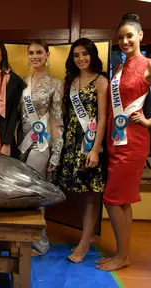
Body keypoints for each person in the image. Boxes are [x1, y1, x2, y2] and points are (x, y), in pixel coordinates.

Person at [96, 13, 151, 272]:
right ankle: (124, 254)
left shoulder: (150, 65)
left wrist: (150, 120)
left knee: (112, 199)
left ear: (141, 36)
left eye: (129, 36)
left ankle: (123, 255)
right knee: (121, 200)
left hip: (133, 139)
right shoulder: (119, 68)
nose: (124, 41)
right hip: (115, 138)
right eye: (120, 37)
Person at [56, 38, 108, 263]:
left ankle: (85, 243)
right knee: (80, 193)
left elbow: (104, 118)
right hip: (71, 144)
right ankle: (88, 235)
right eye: (76, 55)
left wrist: (95, 149)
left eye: (85, 54)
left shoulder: (101, 81)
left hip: (90, 145)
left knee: (91, 195)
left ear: (93, 55)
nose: (81, 59)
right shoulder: (71, 80)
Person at [17, 39, 64, 256]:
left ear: (47, 54)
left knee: (36, 191)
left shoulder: (55, 84)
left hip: (42, 143)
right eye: (31, 52)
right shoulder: (22, 83)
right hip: (22, 142)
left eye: (39, 52)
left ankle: (40, 242)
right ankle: (24, 237)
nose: (35, 56)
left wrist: (56, 152)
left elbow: (56, 118)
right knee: (23, 191)